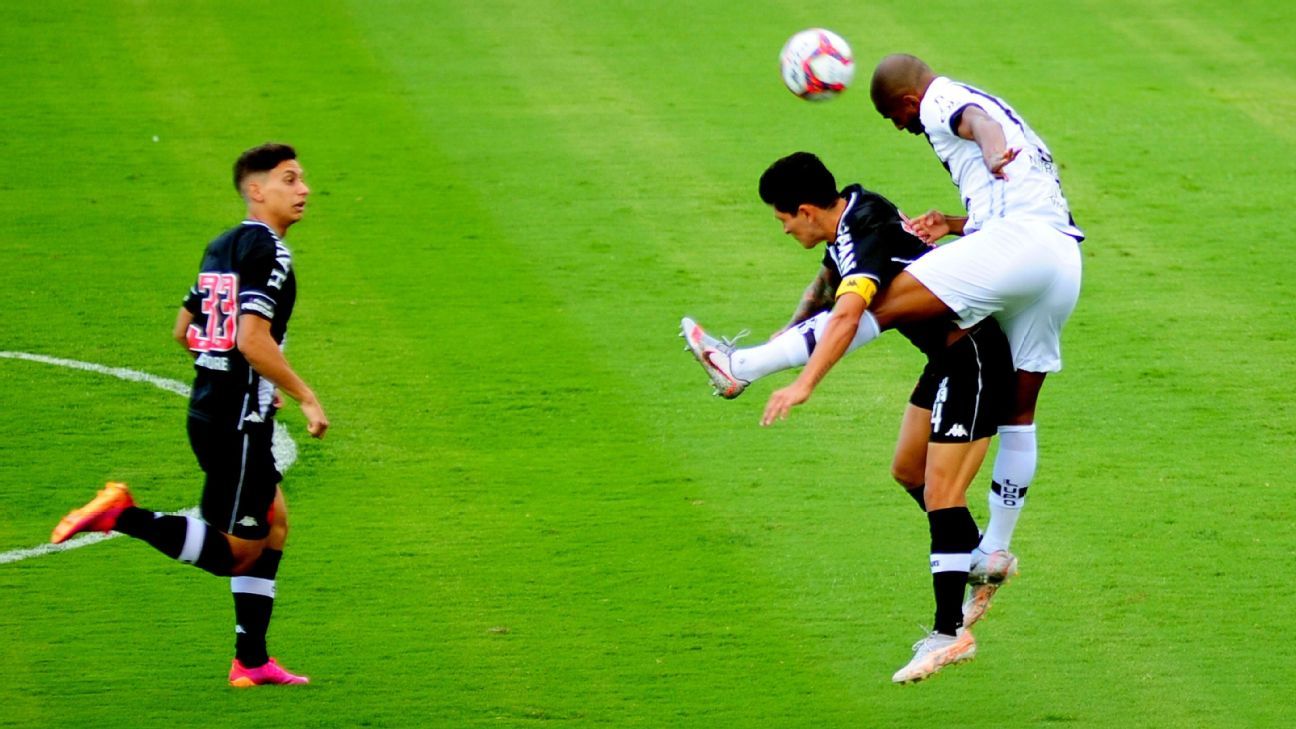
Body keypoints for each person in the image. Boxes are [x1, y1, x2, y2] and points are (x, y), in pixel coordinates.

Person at [683, 151, 1015, 683]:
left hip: (975, 360)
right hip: (947, 359)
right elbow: (824, 284)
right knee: (908, 472)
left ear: (808, 210)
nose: (784, 229)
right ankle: (980, 556)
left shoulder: (864, 234)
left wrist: (802, 382)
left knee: (943, 492)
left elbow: (846, 314)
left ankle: (951, 633)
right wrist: (787, 333)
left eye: (784, 218)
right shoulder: (854, 215)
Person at [50, 142, 328, 687]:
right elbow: (252, 339)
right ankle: (121, 515)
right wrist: (304, 395)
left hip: (211, 407)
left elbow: (185, 329)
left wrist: (222, 371)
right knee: (237, 555)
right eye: (290, 180)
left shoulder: (222, 244)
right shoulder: (270, 251)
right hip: (239, 421)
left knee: (275, 523)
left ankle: (251, 662)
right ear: (257, 190)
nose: (304, 190)